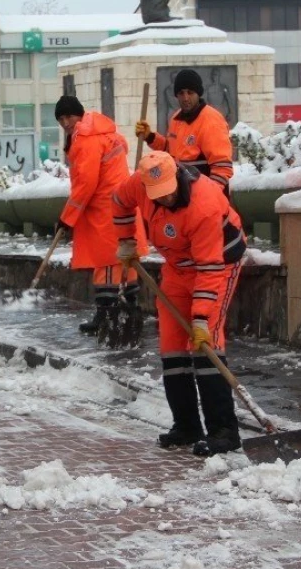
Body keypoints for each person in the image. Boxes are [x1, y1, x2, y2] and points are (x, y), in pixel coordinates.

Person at [113, 151, 247, 456]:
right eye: (158, 195)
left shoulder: (204, 204)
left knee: (205, 342)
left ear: (178, 177)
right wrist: (126, 241)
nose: (166, 198)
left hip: (218, 264)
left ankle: (224, 430)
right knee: (172, 345)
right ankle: (186, 426)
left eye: (170, 191)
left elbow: (210, 268)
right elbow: (119, 201)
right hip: (177, 266)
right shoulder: (140, 184)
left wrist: (200, 318)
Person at [53, 95, 147, 334]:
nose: (65, 122)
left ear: (80, 115)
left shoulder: (86, 140)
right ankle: (131, 309)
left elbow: (85, 184)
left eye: (69, 116)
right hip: (122, 204)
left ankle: (107, 314)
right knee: (126, 261)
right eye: (61, 118)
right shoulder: (105, 132)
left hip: (105, 210)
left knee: (106, 262)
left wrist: (66, 217)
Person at [135, 69, 234, 193]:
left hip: (204, 195)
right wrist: (149, 136)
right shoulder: (176, 118)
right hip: (183, 191)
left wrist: (209, 195)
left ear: (198, 94)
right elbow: (171, 150)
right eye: (181, 93)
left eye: (190, 92)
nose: (185, 98)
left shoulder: (211, 120)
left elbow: (222, 167)